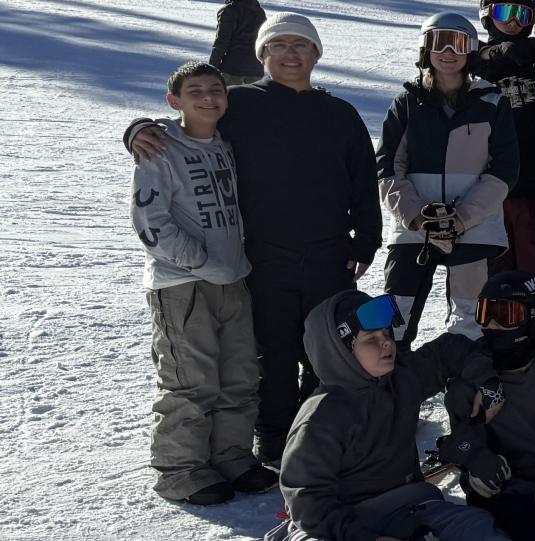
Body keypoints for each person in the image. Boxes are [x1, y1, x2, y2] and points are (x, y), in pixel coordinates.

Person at [125, 12, 382, 468]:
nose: (289, 54)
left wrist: (366, 241)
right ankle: (275, 437)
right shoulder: (240, 103)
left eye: (300, 45)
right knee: (272, 350)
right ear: (262, 54)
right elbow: (187, 125)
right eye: (278, 45)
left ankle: (323, 432)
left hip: (329, 253)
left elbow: (364, 179)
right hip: (261, 254)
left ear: (315, 55)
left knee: (327, 347)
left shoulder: (339, 113)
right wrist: (137, 129)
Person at [134, 61, 275, 506]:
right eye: (195, 91)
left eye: (216, 89)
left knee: (239, 375)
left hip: (232, 278)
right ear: (174, 101)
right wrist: (199, 261)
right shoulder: (159, 147)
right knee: (190, 380)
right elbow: (150, 222)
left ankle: (231, 455)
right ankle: (180, 470)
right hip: (183, 284)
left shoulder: (224, 145)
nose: (208, 98)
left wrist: (227, 265)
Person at [262, 292, 505, 541]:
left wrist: (487, 381)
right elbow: (307, 499)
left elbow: (450, 349)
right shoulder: (321, 417)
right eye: (371, 339)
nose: (386, 343)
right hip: (341, 523)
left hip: (407, 505)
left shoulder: (402, 377)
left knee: (477, 526)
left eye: (387, 334)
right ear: (342, 351)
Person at [376, 13, 517, 346]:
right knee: (394, 317)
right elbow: (388, 167)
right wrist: (416, 216)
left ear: (471, 50)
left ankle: (466, 377)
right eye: (439, 42)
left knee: (471, 320)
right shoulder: (407, 103)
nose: (449, 52)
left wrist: (461, 218)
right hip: (414, 228)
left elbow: (504, 170)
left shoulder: (492, 103)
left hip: (474, 227)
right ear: (426, 49)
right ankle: (391, 377)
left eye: (459, 43)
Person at [438, 271, 535, 541]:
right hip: (500, 490)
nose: (492, 325)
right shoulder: (469, 383)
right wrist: (531, 492)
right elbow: (473, 453)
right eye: (485, 313)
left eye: (504, 315)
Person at [470, 1, 535, 349]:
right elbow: (445, 65)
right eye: (504, 13)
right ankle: (497, 354)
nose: (513, 22)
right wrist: (489, 55)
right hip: (484, 192)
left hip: (533, 187)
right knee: (492, 280)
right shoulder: (474, 59)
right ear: (487, 15)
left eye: (522, 15)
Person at [207, 0, 264, 87]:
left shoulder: (229, 10)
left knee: (230, 95)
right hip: (255, 70)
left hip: (232, 69)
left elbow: (221, 42)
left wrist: (212, 68)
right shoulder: (259, 11)